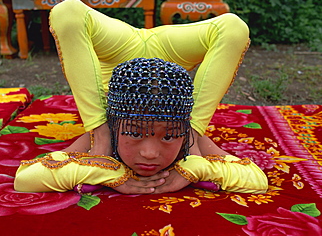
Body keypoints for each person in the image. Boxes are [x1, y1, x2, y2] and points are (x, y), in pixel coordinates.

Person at [14, 58, 268, 194]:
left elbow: (257, 181)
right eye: (134, 133)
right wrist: (106, 172)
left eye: (168, 137)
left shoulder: (189, 143)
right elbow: (25, 179)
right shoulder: (102, 140)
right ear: (113, 126)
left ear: (184, 129)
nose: (149, 152)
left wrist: (196, 168)